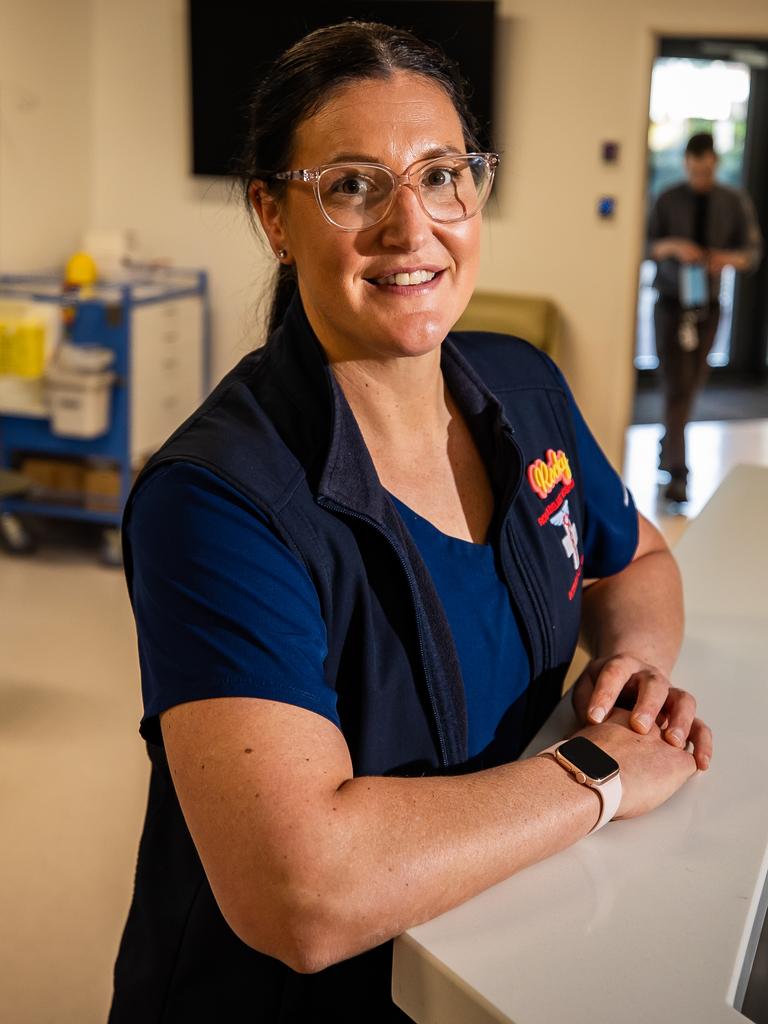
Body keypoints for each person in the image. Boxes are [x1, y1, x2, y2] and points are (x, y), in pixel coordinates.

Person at [108, 21, 712, 1023]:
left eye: (442, 175)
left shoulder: (521, 384)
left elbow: (632, 556)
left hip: (505, 947)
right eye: (351, 184)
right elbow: (304, 894)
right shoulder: (218, 500)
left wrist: (635, 670)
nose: (411, 226)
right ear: (273, 215)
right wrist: (597, 774)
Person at [647, 131, 763, 504]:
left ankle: (670, 444)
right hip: (669, 304)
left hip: (708, 309)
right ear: (687, 164)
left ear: (715, 163)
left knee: (690, 386)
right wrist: (673, 247)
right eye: (695, 170)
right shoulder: (667, 198)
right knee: (675, 387)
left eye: (707, 170)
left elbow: (752, 253)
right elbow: (646, 246)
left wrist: (725, 258)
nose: (700, 177)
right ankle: (678, 473)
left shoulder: (733, 201)